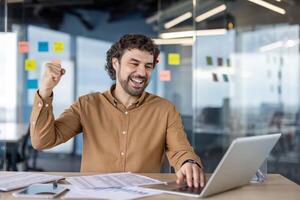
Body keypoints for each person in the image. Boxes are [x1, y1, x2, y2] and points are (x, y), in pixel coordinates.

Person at [30, 34, 205, 188]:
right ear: (116, 63)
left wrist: (188, 163)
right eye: (134, 64)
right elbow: (42, 141)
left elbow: (180, 150)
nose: (142, 72)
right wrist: (45, 91)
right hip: (95, 196)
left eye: (148, 66)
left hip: (144, 196)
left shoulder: (165, 109)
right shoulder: (87, 105)